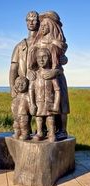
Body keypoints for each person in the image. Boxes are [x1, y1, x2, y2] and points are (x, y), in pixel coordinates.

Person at [31, 11, 70, 140]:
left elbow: (63, 59)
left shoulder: (57, 42)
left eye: (45, 25)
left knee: (62, 104)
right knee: (42, 103)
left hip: (57, 75)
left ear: (52, 26)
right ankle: (42, 130)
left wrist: (55, 71)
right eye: (41, 25)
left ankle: (62, 130)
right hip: (41, 78)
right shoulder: (38, 42)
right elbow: (33, 61)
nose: (42, 27)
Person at [29, 47, 60, 142]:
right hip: (38, 102)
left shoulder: (51, 74)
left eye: (44, 57)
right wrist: (32, 104)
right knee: (39, 118)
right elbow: (31, 89)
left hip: (49, 101)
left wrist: (56, 104)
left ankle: (51, 133)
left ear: (49, 58)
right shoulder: (35, 74)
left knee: (50, 118)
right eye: (39, 58)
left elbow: (57, 90)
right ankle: (40, 132)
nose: (41, 60)